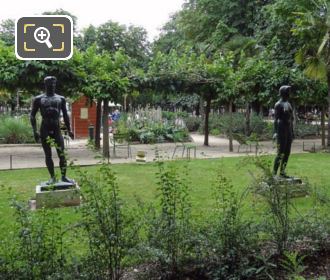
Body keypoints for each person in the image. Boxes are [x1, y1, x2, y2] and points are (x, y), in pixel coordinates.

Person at [30, 76, 74, 184]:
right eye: (50, 85)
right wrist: (34, 131)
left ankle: (63, 176)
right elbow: (32, 115)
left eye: (54, 84)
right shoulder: (38, 99)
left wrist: (69, 129)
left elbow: (65, 115)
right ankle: (52, 177)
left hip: (56, 127)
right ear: (46, 85)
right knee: (48, 154)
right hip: (45, 127)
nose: (53, 86)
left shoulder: (61, 99)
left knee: (61, 153)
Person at [273, 85, 294, 178]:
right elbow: (275, 119)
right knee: (280, 152)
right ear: (284, 92)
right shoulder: (278, 104)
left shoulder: (289, 104)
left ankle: (282, 172)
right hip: (281, 128)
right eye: (288, 91)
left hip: (288, 129)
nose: (289, 93)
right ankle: (274, 173)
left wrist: (292, 132)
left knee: (287, 152)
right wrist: (275, 132)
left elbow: (291, 119)